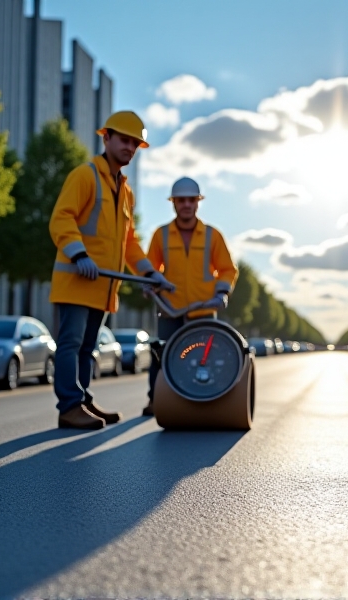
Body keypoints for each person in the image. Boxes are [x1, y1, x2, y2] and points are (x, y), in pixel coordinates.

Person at [49, 111, 173, 430]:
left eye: (135, 143)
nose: (130, 148)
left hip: (104, 286)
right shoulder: (85, 175)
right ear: (106, 138)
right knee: (71, 344)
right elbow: (62, 218)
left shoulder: (126, 192)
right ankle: (69, 406)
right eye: (124, 140)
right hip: (77, 279)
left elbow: (128, 243)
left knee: (87, 348)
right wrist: (79, 255)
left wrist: (148, 273)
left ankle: (83, 399)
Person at [142, 176, 238, 416]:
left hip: (204, 309)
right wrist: (149, 284)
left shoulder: (212, 236)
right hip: (170, 308)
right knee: (162, 354)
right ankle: (156, 400)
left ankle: (208, 401)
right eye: (181, 200)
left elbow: (227, 269)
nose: (186, 204)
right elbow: (150, 269)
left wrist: (222, 292)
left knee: (207, 356)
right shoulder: (160, 235)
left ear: (198, 203)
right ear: (173, 203)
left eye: (191, 200)